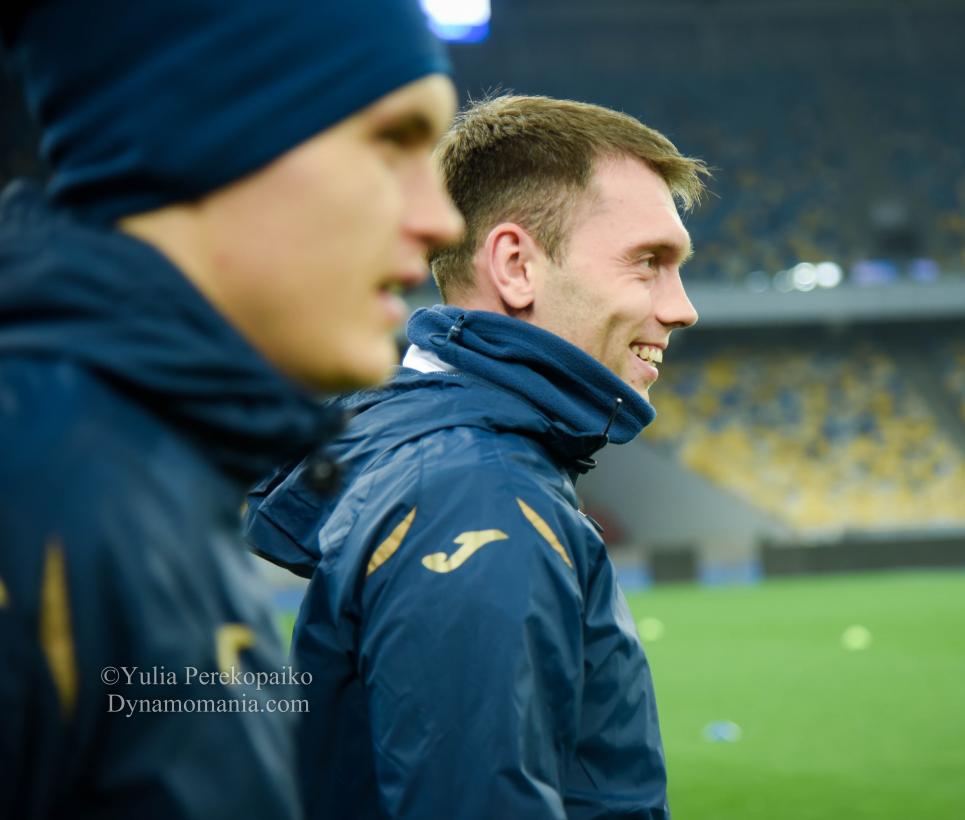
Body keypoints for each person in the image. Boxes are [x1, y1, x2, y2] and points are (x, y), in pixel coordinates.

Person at [0, 1, 462, 817]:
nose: (441, 220)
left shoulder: (146, 467)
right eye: (392, 140)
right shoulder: (36, 492)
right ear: (209, 132)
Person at [244, 94, 709, 819]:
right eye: (649, 262)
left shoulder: (441, 452)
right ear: (516, 265)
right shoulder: (474, 492)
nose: (683, 309)